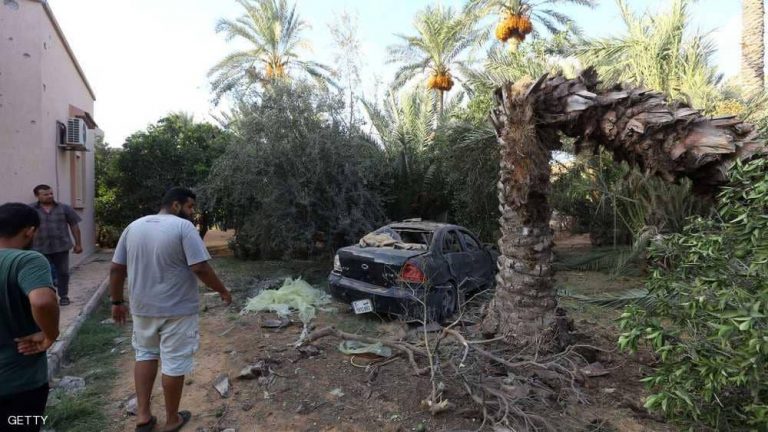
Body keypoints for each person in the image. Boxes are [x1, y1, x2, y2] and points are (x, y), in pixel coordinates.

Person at [110, 187, 232, 432]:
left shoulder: (133, 227)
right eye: (190, 207)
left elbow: (116, 269)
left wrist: (116, 302)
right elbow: (200, 268)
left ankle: (143, 416)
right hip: (178, 310)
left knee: (145, 354)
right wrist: (222, 290)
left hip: (142, 308)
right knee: (174, 363)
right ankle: (172, 419)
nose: (193, 212)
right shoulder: (183, 227)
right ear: (176, 205)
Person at [0, 203, 60, 432]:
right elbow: (42, 301)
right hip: (19, 383)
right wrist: (50, 334)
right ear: (30, 231)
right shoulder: (27, 260)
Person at [30, 185, 83, 306]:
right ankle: (48, 297)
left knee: (63, 273)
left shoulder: (64, 208)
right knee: (43, 274)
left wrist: (78, 244)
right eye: (46, 194)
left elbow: (74, 225)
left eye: (51, 193)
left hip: (61, 247)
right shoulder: (30, 210)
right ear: (37, 196)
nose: (50, 196)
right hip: (39, 248)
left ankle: (64, 296)